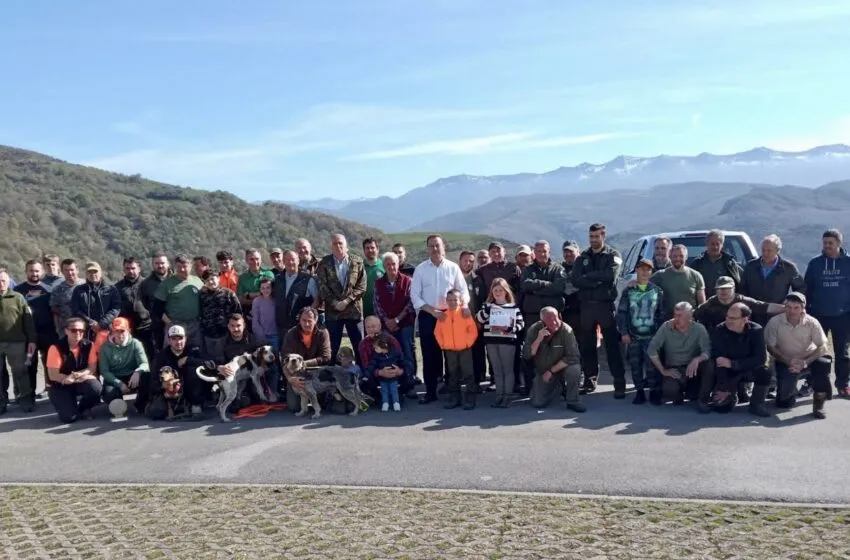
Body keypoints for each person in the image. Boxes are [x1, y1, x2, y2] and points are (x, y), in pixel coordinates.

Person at [410, 234, 470, 404]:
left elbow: (463, 291)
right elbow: (415, 296)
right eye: (431, 246)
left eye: (437, 245)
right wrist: (432, 311)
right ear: (427, 248)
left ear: (444, 247)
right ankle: (430, 392)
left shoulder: (453, 268)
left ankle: (452, 390)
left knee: (451, 354)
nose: (435, 248)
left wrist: (464, 305)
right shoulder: (420, 269)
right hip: (428, 315)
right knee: (429, 355)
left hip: (450, 316)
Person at [570, 223, 627, 397]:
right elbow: (575, 279)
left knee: (612, 346)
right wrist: (597, 281)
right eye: (591, 236)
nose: (593, 240)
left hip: (604, 306)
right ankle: (590, 380)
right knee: (587, 346)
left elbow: (611, 276)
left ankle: (619, 383)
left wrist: (588, 276)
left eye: (596, 236)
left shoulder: (613, 255)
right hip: (586, 306)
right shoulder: (582, 257)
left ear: (603, 236)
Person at [765, 292, 832, 418]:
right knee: (784, 404)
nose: (792, 311)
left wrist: (805, 362)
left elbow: (823, 346)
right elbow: (770, 347)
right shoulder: (774, 322)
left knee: (823, 364)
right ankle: (788, 391)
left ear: (802, 308)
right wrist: (788, 361)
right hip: (785, 361)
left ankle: (819, 404)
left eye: (796, 307)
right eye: (788, 307)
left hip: (809, 359)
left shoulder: (812, 322)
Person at [804, 228, 850, 399]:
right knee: (816, 350)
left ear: (839, 243)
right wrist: (806, 311)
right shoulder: (815, 264)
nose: (827, 246)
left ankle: (843, 385)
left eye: (830, 243)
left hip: (843, 315)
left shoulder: (848, 262)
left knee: (842, 352)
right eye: (825, 243)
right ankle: (813, 383)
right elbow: (807, 288)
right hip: (818, 315)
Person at [704, 303, 771, 417]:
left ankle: (757, 404)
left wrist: (733, 364)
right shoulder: (720, 330)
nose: (728, 320)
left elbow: (760, 358)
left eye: (733, 318)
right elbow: (720, 361)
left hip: (747, 367)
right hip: (728, 371)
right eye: (727, 317)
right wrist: (725, 388)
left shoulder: (756, 330)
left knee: (764, 371)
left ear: (745, 319)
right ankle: (733, 396)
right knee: (721, 408)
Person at [616, 259, 665, 404]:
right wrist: (624, 332)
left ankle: (654, 391)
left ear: (651, 272)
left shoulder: (657, 291)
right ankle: (639, 392)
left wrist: (659, 335)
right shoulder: (629, 291)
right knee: (635, 365)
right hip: (633, 336)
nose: (644, 272)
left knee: (652, 365)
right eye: (642, 268)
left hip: (652, 336)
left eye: (648, 269)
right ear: (636, 270)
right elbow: (622, 313)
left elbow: (661, 314)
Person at [646, 302, 712, 407]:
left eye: (680, 316)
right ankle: (675, 393)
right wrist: (663, 371)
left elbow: (707, 351)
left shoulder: (699, 329)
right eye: (675, 315)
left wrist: (697, 359)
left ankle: (702, 400)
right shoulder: (666, 327)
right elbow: (652, 350)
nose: (676, 318)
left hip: (692, 369)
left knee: (709, 365)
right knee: (670, 391)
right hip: (674, 368)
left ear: (690, 316)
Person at [317, 234, 367, 365]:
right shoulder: (324, 263)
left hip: (354, 311)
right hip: (333, 313)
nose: (338, 246)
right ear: (331, 246)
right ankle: (331, 374)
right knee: (332, 348)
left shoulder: (357, 261)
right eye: (335, 243)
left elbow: (362, 286)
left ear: (346, 246)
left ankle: (363, 374)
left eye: (340, 243)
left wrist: (347, 301)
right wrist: (334, 303)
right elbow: (322, 286)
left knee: (360, 346)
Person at [523, 306, 584, 412]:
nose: (554, 323)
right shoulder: (534, 329)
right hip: (542, 370)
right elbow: (527, 355)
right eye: (549, 321)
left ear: (559, 316)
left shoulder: (566, 330)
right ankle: (556, 388)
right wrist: (538, 339)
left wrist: (551, 371)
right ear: (542, 322)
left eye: (555, 318)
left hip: (561, 368)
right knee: (538, 403)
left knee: (575, 369)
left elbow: (573, 356)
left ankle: (573, 401)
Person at [476, 278, 524, 407]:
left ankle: (507, 396)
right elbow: (479, 319)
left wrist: (512, 328)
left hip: (507, 341)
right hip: (491, 341)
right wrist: (488, 310)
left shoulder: (513, 307)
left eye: (500, 290)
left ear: (506, 291)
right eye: (495, 290)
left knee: (507, 369)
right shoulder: (487, 306)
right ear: (492, 292)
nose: (498, 293)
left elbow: (521, 323)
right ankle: (499, 395)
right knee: (497, 369)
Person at [373, 252, 416, 394]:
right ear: (384, 266)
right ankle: (392, 386)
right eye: (388, 264)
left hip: (405, 323)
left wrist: (397, 319)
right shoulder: (378, 283)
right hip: (386, 325)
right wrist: (387, 321)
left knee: (406, 353)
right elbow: (376, 304)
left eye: (394, 264)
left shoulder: (408, 281)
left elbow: (411, 303)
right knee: (388, 354)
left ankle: (408, 384)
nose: (391, 267)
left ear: (398, 265)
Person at [46, 317, 102, 423]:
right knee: (69, 418)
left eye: (81, 330)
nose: (78, 333)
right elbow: (53, 375)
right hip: (61, 384)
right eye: (74, 330)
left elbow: (91, 368)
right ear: (66, 331)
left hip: (79, 380)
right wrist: (71, 378)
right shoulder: (55, 348)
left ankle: (83, 408)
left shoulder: (89, 345)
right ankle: (71, 409)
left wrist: (75, 377)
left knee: (96, 387)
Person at [14, 259, 56, 397]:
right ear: (26, 272)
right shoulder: (18, 291)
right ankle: (29, 394)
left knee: (50, 364)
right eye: (31, 271)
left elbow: (55, 311)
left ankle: (52, 392)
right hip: (27, 334)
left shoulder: (49, 290)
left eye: (37, 271)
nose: (34, 273)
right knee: (30, 365)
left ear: (42, 271)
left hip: (48, 333)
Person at [147, 324, 205, 419]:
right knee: (157, 413)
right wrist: (163, 386)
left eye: (180, 338)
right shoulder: (161, 356)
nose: (178, 342)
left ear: (185, 338)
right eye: (174, 339)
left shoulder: (193, 350)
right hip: (169, 392)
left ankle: (195, 404)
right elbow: (153, 380)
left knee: (194, 367)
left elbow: (208, 363)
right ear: (169, 340)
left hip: (190, 388)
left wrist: (188, 360)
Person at [282, 307, 332, 414]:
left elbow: (326, 357)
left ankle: (321, 397)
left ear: (316, 320)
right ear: (299, 320)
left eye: (310, 320)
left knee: (323, 403)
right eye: (304, 320)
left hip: (317, 375)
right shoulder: (291, 334)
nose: (307, 324)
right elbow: (284, 359)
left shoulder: (323, 332)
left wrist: (303, 363)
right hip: (296, 375)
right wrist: (290, 379)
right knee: (294, 407)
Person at [435, 289, 479, 410]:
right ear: (446, 301)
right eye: (450, 300)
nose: (452, 302)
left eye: (455, 300)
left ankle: (470, 399)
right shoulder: (443, 316)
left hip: (465, 349)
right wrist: (443, 345)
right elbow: (437, 332)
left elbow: (473, 331)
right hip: (450, 350)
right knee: (453, 374)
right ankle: (455, 398)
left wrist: (467, 343)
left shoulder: (465, 314)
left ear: (460, 301)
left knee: (468, 374)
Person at [0, 270, 37, 414]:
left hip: (16, 342)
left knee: (21, 372)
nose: (1, 284)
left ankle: (25, 400)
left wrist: (32, 340)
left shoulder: (18, 297)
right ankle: (1, 402)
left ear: (8, 281)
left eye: (3, 280)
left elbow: (28, 320)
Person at [99, 317, 150, 414]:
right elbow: (104, 371)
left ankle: (140, 404)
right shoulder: (105, 348)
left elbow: (144, 364)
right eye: (116, 331)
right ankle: (120, 406)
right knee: (109, 394)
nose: (119, 334)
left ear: (129, 330)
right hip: (115, 378)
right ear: (112, 332)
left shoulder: (136, 343)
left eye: (122, 331)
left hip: (132, 376)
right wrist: (119, 384)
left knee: (147, 377)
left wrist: (138, 372)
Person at [153, 254, 203, 347]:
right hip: (175, 324)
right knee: (172, 352)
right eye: (179, 267)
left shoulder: (198, 281)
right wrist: (170, 323)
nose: (182, 269)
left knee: (195, 351)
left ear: (191, 266)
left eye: (185, 266)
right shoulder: (166, 284)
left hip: (194, 325)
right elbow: (157, 308)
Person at [358, 315, 411, 403]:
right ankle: (378, 397)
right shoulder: (363, 344)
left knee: (409, 377)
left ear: (380, 326)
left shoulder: (391, 339)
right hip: (376, 372)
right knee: (366, 379)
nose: (371, 329)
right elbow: (365, 365)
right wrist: (380, 372)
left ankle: (398, 394)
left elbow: (401, 358)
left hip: (394, 369)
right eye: (368, 327)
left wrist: (399, 371)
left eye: (373, 326)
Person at [740, 234, 805, 306]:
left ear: (777, 251)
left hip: (777, 310)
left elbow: (800, 289)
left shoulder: (788, 268)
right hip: (752, 309)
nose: (765, 253)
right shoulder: (751, 266)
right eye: (763, 250)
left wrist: (790, 302)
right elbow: (742, 289)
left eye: (769, 251)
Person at [221, 313, 272, 402]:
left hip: (251, 376)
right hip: (232, 376)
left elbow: (269, 350)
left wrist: (263, 363)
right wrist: (220, 368)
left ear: (244, 325)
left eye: (238, 325)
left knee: (257, 396)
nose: (236, 329)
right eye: (232, 326)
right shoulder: (223, 342)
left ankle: (271, 392)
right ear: (228, 326)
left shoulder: (254, 340)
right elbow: (218, 360)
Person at [70, 261, 121, 348]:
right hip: (86, 331)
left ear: (101, 272)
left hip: (107, 330)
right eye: (90, 272)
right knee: (87, 354)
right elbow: (75, 310)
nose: (93, 274)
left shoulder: (111, 289)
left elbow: (116, 308)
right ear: (86, 274)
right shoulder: (78, 290)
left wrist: (101, 323)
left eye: (95, 271)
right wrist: (90, 322)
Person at [649, 244, 706, 320]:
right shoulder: (660, 275)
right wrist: (634, 283)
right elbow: (644, 286)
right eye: (675, 256)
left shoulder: (696, 275)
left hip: (689, 320)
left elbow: (702, 304)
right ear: (670, 257)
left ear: (686, 257)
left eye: (681, 256)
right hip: (667, 321)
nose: (678, 259)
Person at [115, 257, 155, 360]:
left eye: (133, 268)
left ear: (139, 268)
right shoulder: (117, 287)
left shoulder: (148, 284)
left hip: (147, 327)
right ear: (124, 269)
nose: (130, 271)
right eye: (127, 268)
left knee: (150, 356)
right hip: (127, 329)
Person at [198, 270, 241, 363]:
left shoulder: (228, 293)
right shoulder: (202, 295)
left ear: (218, 278)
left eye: (212, 279)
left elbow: (238, 313)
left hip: (224, 333)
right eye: (207, 280)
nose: (210, 282)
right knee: (210, 360)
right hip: (207, 334)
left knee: (224, 359)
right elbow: (199, 311)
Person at [273, 249, 318, 334]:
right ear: (283, 262)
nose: (290, 262)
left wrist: (307, 314)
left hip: (300, 327)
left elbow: (317, 299)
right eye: (287, 260)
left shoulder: (308, 279)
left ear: (298, 261)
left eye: (293, 259)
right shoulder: (278, 279)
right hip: (280, 327)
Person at [691, 230, 743, 298]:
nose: (715, 247)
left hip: (726, 302)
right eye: (712, 244)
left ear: (722, 245)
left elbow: (740, 284)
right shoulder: (697, 263)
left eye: (717, 244)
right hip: (704, 303)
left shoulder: (730, 263)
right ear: (707, 244)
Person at [140, 252, 171, 358]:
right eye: (157, 263)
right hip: (158, 325)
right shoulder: (146, 284)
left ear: (168, 263)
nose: (160, 266)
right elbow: (146, 303)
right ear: (153, 264)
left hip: (177, 320)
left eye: (162, 263)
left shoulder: (176, 279)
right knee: (162, 354)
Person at [366, 334, 405, 412]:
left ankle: (396, 403)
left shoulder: (395, 353)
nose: (375, 349)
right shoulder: (376, 355)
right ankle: (385, 403)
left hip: (394, 377)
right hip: (382, 379)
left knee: (394, 390)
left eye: (376, 348)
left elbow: (403, 362)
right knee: (384, 391)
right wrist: (371, 372)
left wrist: (400, 370)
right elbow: (371, 365)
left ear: (384, 346)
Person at [236, 248, 275, 325]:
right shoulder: (242, 278)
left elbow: (273, 294)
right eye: (252, 259)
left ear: (261, 259)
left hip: (269, 314)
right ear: (246, 261)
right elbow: (240, 300)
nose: (255, 262)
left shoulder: (269, 274)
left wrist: (250, 295)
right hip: (250, 315)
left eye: (257, 259)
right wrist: (258, 300)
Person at [50, 258, 84, 337]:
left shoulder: (86, 285)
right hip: (66, 330)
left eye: (72, 270)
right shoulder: (57, 290)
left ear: (77, 270)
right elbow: (54, 311)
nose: (69, 273)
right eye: (66, 270)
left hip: (84, 329)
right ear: (62, 272)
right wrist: (57, 329)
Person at [361, 238, 385, 318]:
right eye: (367, 248)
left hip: (381, 311)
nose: (370, 250)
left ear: (377, 249)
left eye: (372, 247)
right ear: (364, 250)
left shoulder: (384, 265)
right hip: (363, 311)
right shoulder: (359, 266)